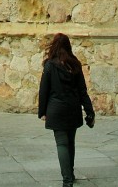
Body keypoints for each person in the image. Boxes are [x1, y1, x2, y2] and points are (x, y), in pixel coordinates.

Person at [38, 33, 95, 187]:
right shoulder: (75, 64)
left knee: (62, 144)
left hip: (56, 109)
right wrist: (89, 111)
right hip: (72, 108)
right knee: (70, 142)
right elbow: (83, 91)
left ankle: (67, 179)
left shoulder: (49, 65)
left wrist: (42, 112)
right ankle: (70, 173)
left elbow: (44, 90)